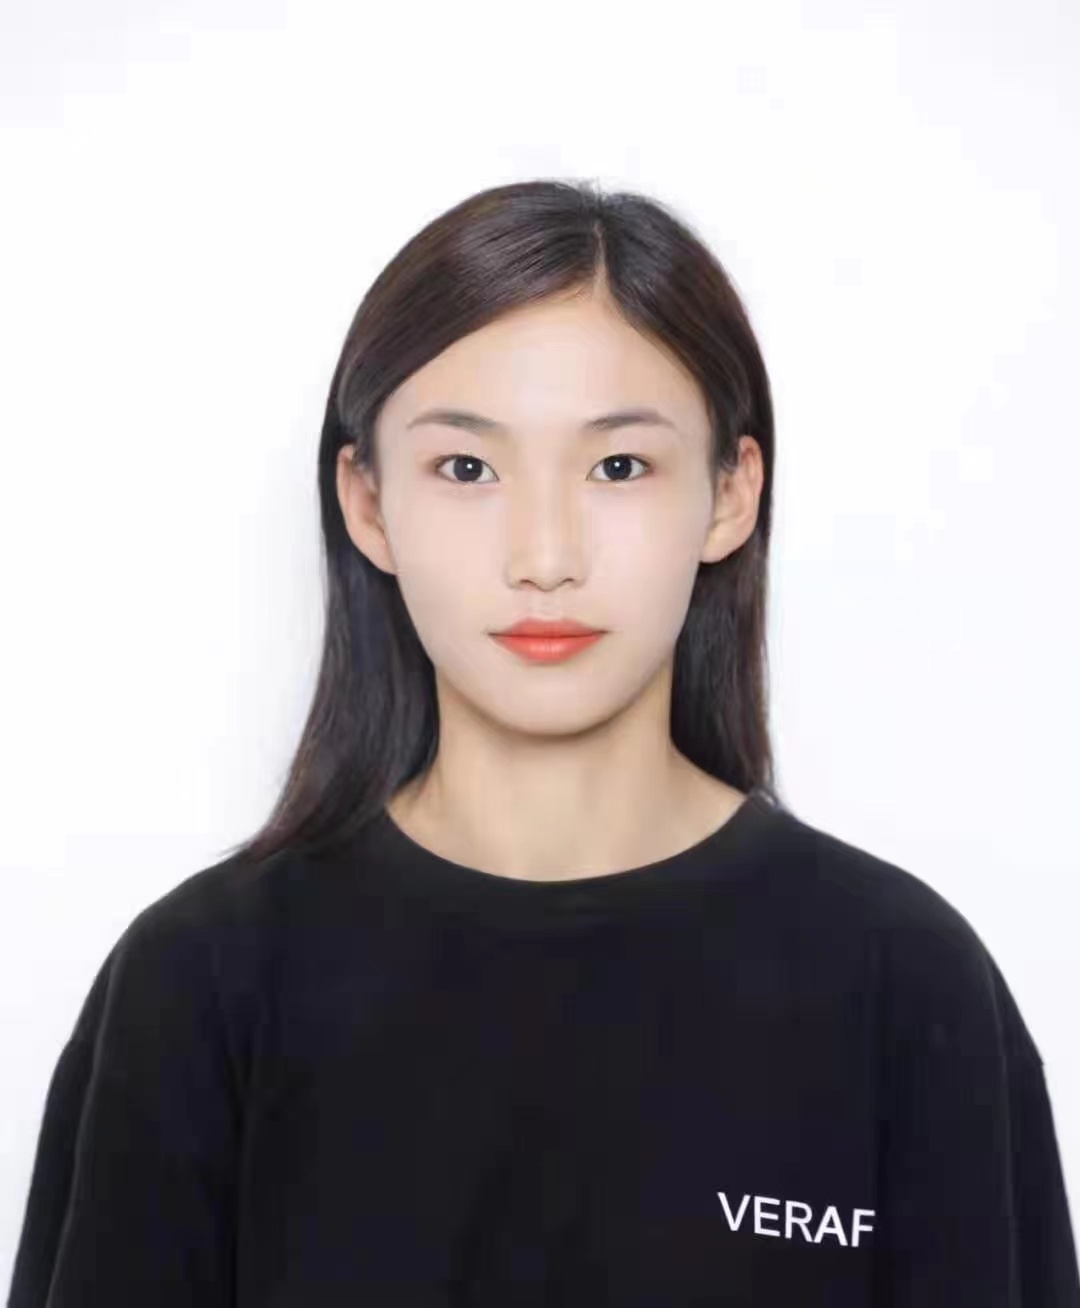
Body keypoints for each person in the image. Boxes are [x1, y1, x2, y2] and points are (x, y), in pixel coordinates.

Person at [7, 179, 1079, 1307]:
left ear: (730, 493)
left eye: (619, 467)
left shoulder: (902, 982)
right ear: (367, 505)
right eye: (466, 469)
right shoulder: (200, 988)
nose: (545, 557)